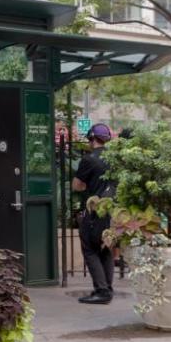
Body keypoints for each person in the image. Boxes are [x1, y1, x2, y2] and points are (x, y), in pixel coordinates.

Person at [72, 123, 115, 305]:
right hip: (113, 211)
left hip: (95, 210)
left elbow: (77, 185)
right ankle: (107, 288)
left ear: (91, 138)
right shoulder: (115, 159)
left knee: (90, 248)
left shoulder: (89, 159)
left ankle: (102, 290)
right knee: (106, 248)